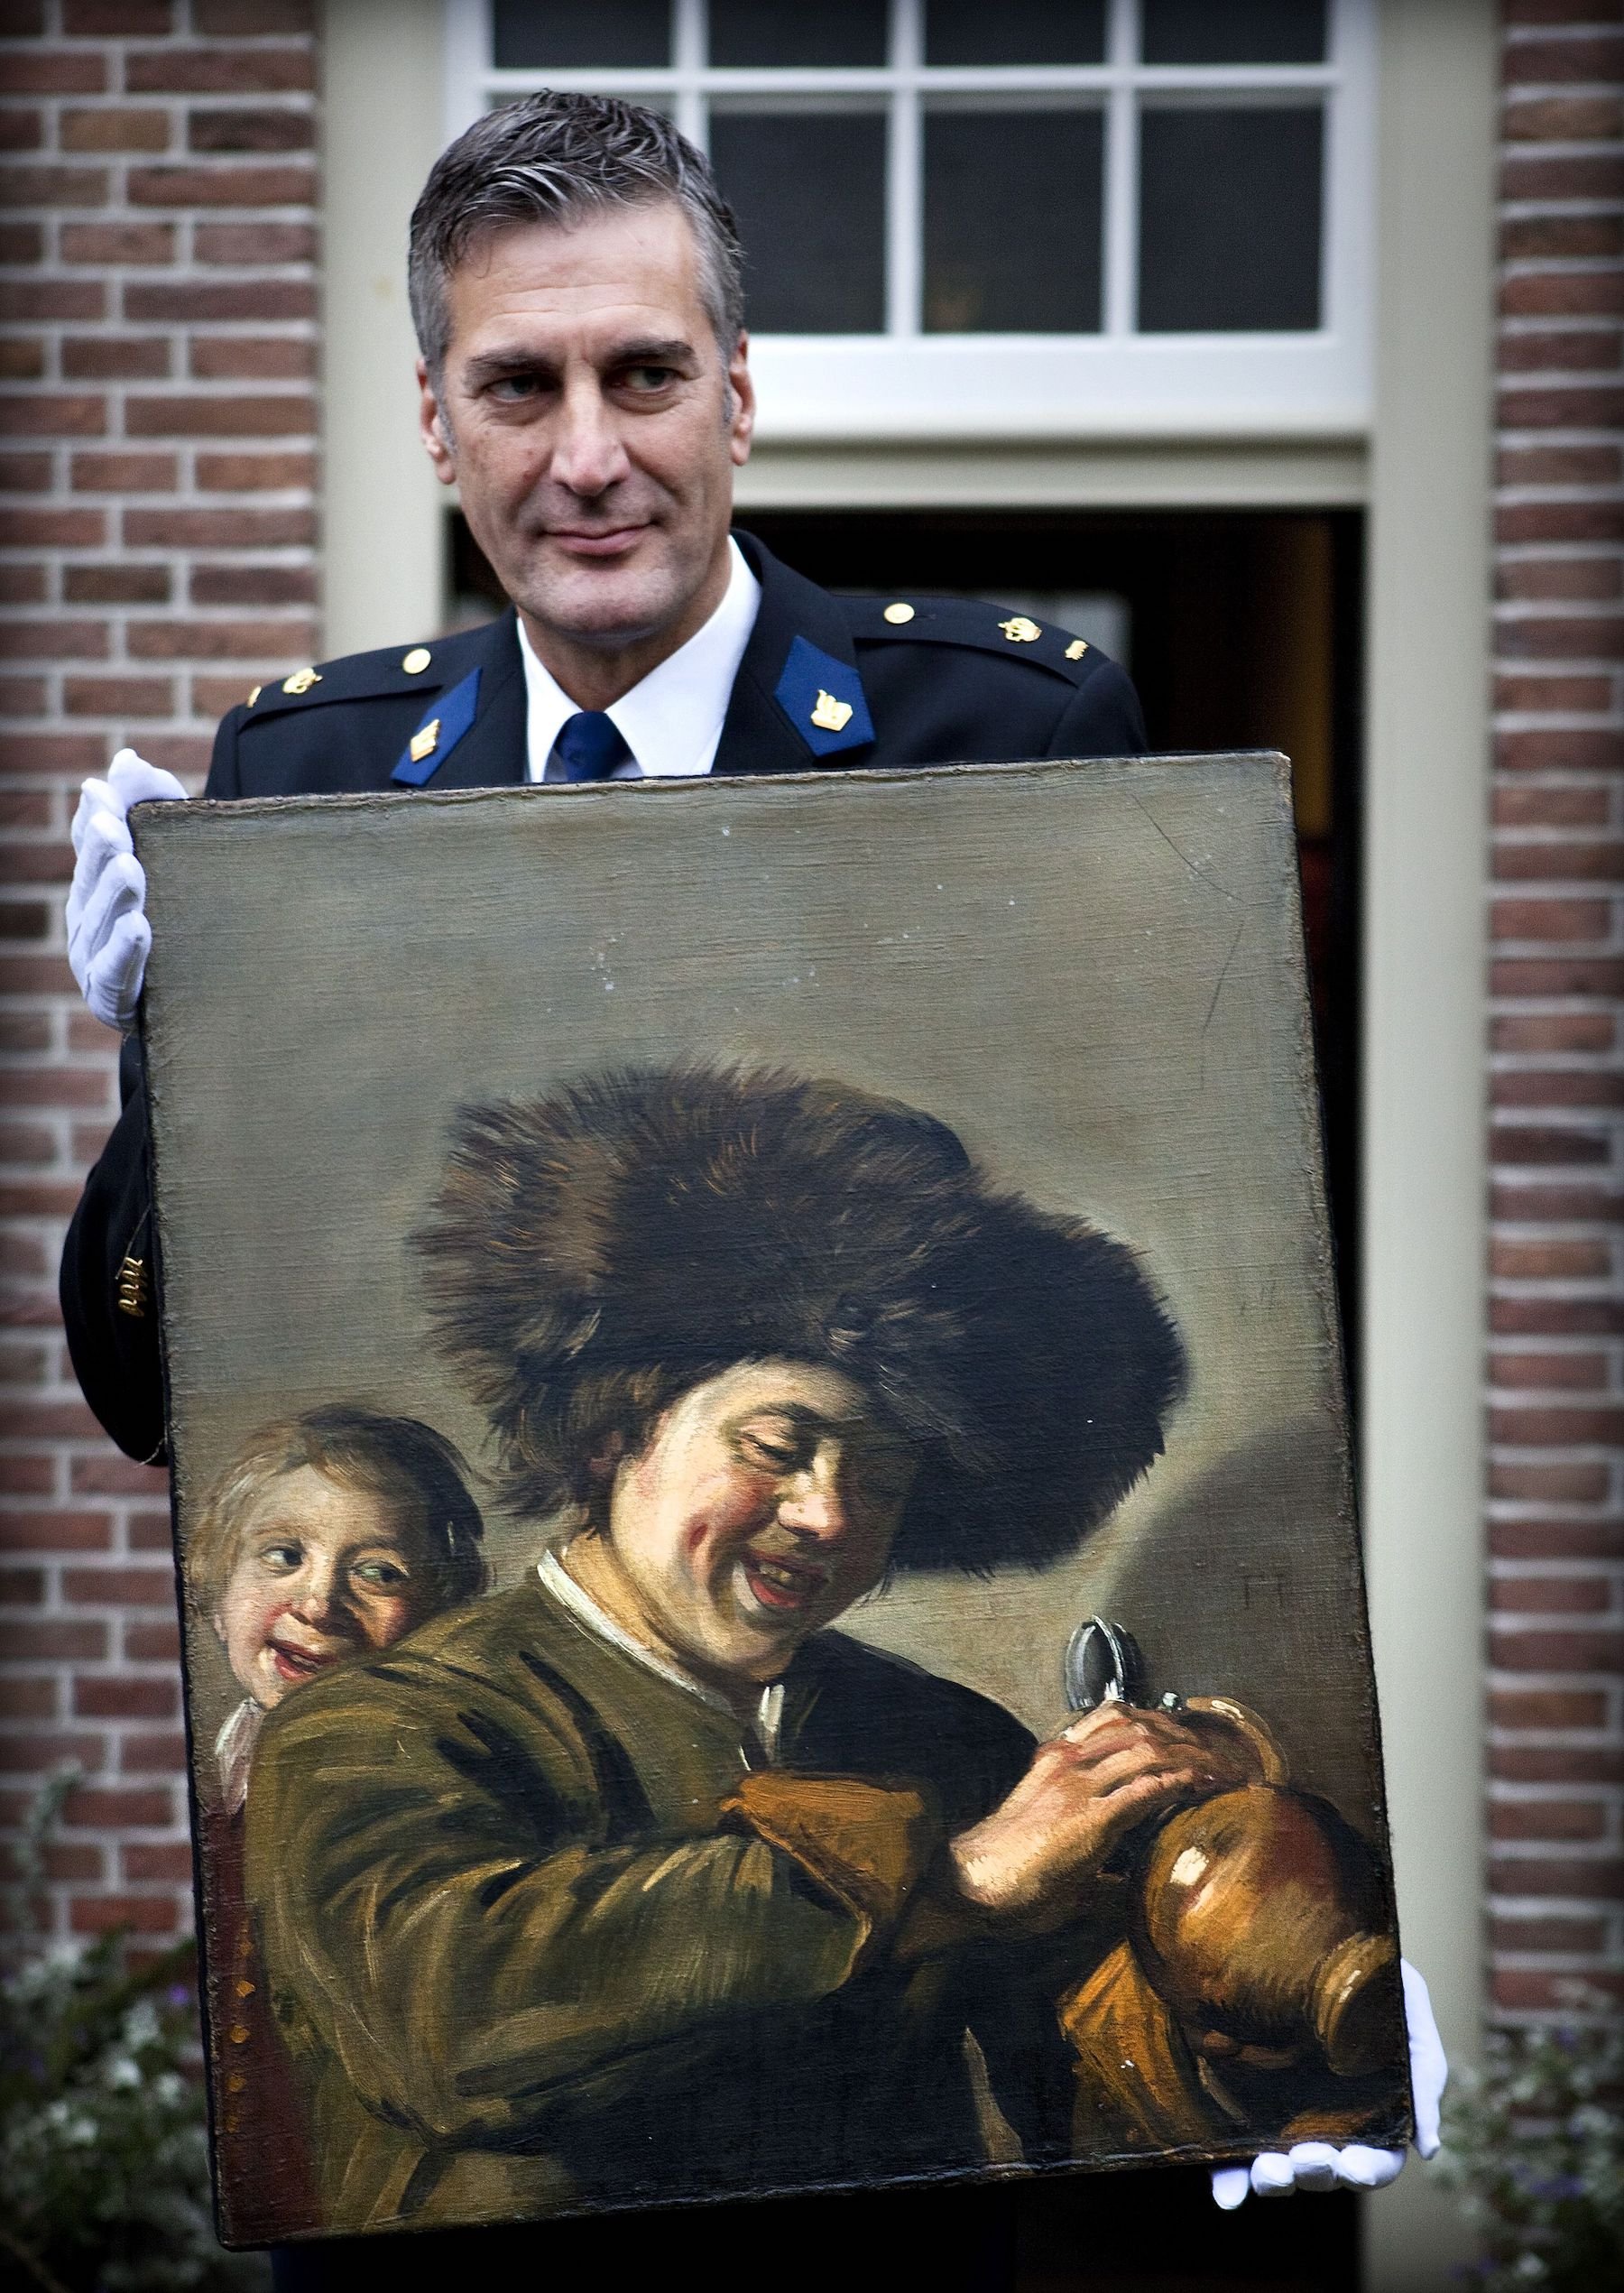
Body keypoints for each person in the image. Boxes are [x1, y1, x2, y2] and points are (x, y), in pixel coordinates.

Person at [60, 89, 1144, 1471]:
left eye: (644, 376)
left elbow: (1092, 1346)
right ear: (439, 423)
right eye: (518, 386)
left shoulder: (1011, 741)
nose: (588, 460)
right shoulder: (304, 777)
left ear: (735, 398)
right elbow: (144, 1399)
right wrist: (173, 1055)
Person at [243, 1066, 1407, 2243]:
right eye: (779, 1446)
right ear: (614, 1429)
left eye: (884, 1477)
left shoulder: (947, 1741)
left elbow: (1098, 2087)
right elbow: (443, 2023)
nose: (833, 1515)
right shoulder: (369, 1732)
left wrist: (1233, 1979)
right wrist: (945, 1881)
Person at [186, 1407, 487, 2244]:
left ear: (441, 1613)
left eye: (380, 1572)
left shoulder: (425, 1796)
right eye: (282, 1556)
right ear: (216, 1580)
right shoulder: (221, 1793)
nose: (317, 1602)